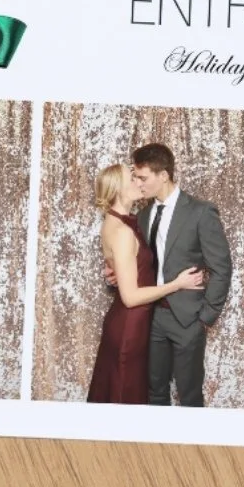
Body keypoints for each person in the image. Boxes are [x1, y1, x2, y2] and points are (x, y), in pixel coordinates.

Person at [88, 164, 206, 404]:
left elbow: (129, 268)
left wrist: (117, 273)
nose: (139, 182)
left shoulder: (121, 221)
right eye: (132, 179)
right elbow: (130, 297)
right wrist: (177, 284)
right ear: (119, 190)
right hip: (129, 327)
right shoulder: (122, 230)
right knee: (124, 402)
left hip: (132, 324)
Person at [133, 142, 232, 407]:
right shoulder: (143, 215)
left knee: (189, 397)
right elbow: (143, 263)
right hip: (151, 316)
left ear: (163, 175)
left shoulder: (201, 212)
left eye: (142, 177)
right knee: (154, 393)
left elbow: (221, 267)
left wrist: (205, 317)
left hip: (188, 319)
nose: (137, 183)